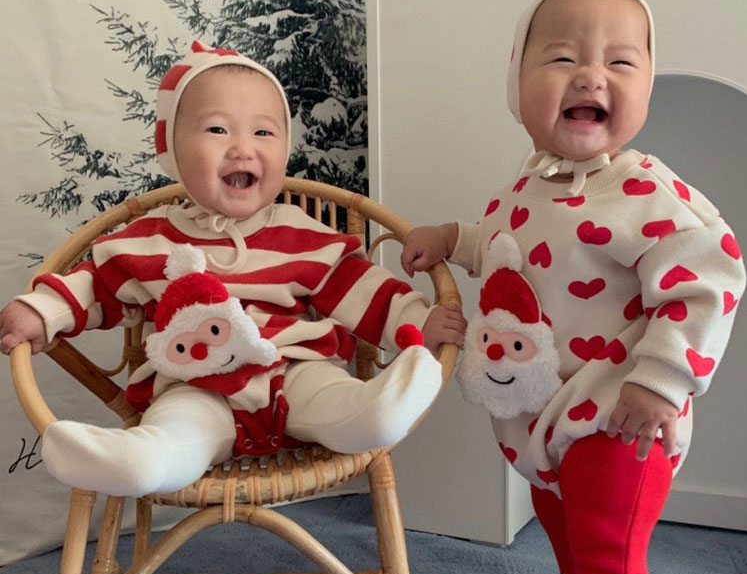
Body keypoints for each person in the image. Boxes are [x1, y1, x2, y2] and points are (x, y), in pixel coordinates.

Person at [400, 0, 745, 574]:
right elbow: (507, 247)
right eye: (562, 57)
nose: (591, 75)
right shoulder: (527, 186)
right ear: (517, 84)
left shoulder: (647, 191)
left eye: (620, 62)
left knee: (605, 542)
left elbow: (710, 277)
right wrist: (451, 237)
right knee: (559, 520)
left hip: (621, 415)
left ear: (645, 87)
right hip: (545, 416)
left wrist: (661, 380)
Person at [0, 40, 466, 498]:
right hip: (195, 385)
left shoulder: (300, 234)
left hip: (295, 372)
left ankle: (377, 413)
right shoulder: (151, 238)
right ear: (173, 152)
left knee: (338, 399)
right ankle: (140, 462)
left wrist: (417, 320)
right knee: (175, 432)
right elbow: (95, 285)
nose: (243, 147)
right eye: (218, 130)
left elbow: (361, 289)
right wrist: (43, 312)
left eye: (263, 133)